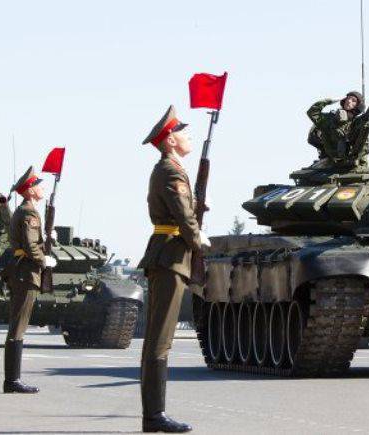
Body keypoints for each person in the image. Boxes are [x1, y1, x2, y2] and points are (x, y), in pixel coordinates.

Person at [138, 105, 209, 433]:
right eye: (182, 131)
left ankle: (154, 415)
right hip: (170, 256)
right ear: (169, 141)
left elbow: (182, 209)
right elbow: (181, 214)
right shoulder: (171, 170)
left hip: (167, 255)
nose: (188, 135)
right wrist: (197, 238)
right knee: (159, 341)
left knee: (158, 339)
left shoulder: (169, 169)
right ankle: (154, 417)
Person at [0, 167, 57, 393]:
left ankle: (12, 380)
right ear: (31, 190)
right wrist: (44, 260)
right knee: (18, 327)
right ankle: (12, 381)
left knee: (18, 325)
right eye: (39, 185)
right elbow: (31, 245)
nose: (42, 189)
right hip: (26, 273)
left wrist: (46, 238)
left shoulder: (24, 212)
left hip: (21, 272)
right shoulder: (29, 213)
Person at [306, 91, 367, 167]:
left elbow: (363, 146)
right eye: (348, 98)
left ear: (358, 106)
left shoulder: (357, 124)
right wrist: (329, 101)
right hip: (330, 162)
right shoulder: (330, 119)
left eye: (353, 100)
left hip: (349, 165)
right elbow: (312, 112)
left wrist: (363, 166)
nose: (349, 101)